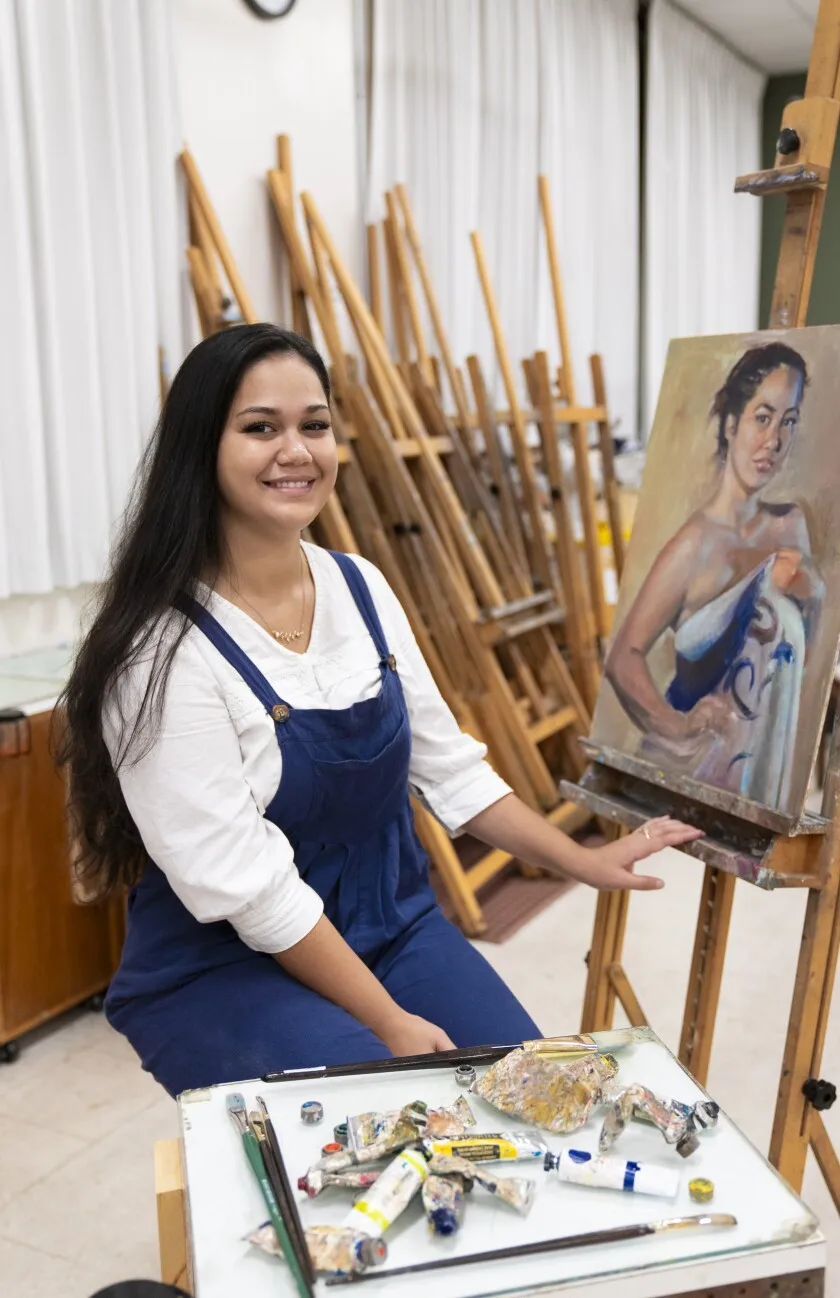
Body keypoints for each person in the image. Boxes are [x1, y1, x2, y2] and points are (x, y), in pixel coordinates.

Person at [59, 325, 701, 1098]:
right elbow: (252, 890)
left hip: (391, 928)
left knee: (534, 1095)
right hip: (222, 967)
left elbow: (449, 768)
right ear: (202, 449)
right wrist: (389, 1023)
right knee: (399, 1124)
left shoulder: (358, 587)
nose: (296, 450)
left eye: (315, 425)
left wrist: (584, 859)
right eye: (260, 427)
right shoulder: (159, 651)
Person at [606, 342, 824, 810]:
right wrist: (676, 725)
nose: (775, 441)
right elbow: (622, 657)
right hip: (699, 775)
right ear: (731, 425)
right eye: (762, 418)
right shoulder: (694, 545)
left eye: (788, 421)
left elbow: (803, 660)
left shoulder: (791, 525)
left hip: (766, 766)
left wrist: (809, 593)